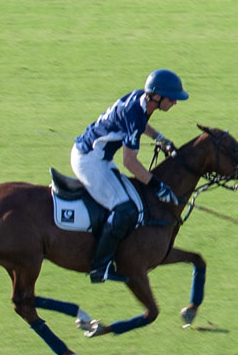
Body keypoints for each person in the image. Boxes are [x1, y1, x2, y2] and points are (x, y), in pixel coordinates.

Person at [70, 70, 187, 283]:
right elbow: (130, 162)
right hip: (90, 161)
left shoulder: (141, 99)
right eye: (171, 98)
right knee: (125, 209)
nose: (175, 102)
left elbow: (141, 124)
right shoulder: (135, 113)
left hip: (97, 157)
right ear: (157, 96)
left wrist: (160, 138)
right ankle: (99, 267)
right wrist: (157, 185)